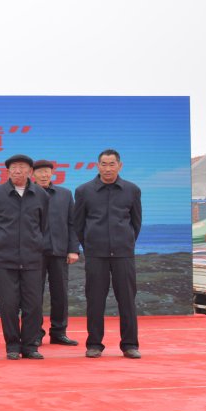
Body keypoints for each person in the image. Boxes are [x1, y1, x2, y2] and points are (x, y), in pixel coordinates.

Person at [74, 149, 142, 359]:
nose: (108, 168)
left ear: (119, 166)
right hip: (96, 254)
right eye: (104, 164)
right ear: (97, 166)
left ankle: (130, 344)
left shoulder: (132, 190)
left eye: (112, 164)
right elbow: (79, 224)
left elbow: (136, 223)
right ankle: (94, 344)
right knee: (95, 300)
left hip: (123, 254)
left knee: (127, 299)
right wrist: (90, 245)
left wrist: (126, 242)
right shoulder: (84, 191)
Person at [0, 154, 49, 360]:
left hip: (32, 259)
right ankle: (12, 345)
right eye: (13, 167)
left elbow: (43, 225)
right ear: (7, 171)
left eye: (22, 167)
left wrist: (35, 244)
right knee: (8, 304)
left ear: (30, 171)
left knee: (33, 304)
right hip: (4, 259)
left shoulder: (41, 195)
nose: (17, 171)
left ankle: (30, 346)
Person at [31, 159, 80, 346]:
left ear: (52, 174)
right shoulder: (28, 194)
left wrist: (73, 249)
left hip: (59, 251)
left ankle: (59, 332)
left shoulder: (65, 194)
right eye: (40, 172)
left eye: (47, 172)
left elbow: (72, 223)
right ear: (33, 175)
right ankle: (35, 332)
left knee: (60, 293)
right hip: (34, 253)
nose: (44, 175)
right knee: (34, 294)